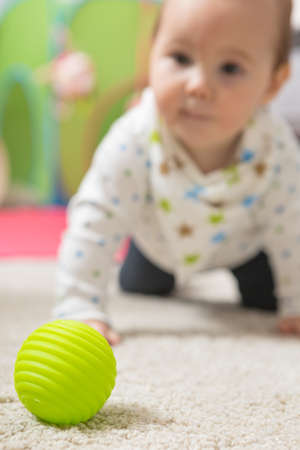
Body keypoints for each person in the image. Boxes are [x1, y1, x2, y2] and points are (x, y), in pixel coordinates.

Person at [54, 0, 300, 345]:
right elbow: (97, 215)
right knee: (140, 285)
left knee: (266, 301)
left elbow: (291, 225)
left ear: (274, 83)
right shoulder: (136, 135)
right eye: (181, 59)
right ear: (152, 52)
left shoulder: (276, 146)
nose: (197, 85)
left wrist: (296, 302)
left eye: (229, 68)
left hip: (243, 242)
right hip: (160, 241)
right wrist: (80, 305)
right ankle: (154, 271)